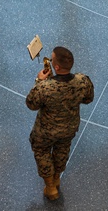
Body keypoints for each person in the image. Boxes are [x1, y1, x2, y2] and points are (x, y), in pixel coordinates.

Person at [26, 46, 95, 201]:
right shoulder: (83, 81)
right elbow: (88, 99)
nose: (50, 61)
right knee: (62, 150)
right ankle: (57, 178)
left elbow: (31, 104)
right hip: (69, 128)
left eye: (52, 60)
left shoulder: (44, 87)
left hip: (46, 131)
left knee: (42, 152)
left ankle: (50, 188)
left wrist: (39, 81)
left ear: (56, 67)